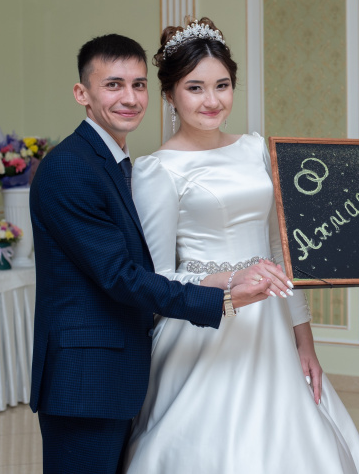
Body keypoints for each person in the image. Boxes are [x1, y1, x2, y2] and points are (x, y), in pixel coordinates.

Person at [122, 17, 359, 474]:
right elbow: (157, 281)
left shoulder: (255, 149)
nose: (212, 100)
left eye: (222, 86)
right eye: (195, 88)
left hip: (271, 324)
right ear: (169, 94)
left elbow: (280, 251)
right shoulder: (157, 170)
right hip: (203, 325)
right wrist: (228, 280)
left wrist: (305, 343)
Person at [29, 33, 281, 474]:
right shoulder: (70, 166)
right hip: (86, 378)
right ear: (82, 93)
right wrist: (223, 296)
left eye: (138, 84)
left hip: (117, 370)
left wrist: (227, 278)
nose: (129, 97)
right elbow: (121, 276)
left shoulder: (113, 161)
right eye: (113, 85)